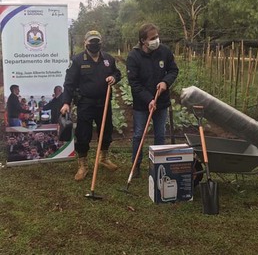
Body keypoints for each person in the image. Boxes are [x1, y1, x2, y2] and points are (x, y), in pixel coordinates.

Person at [61, 30, 122, 181]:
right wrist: (66, 102)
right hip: (86, 103)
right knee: (83, 134)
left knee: (106, 131)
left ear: (101, 43)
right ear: (85, 43)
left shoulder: (108, 59)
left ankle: (103, 158)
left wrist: (114, 77)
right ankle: (83, 165)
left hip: (104, 102)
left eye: (97, 41)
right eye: (91, 42)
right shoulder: (77, 61)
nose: (94, 44)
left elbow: (117, 73)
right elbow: (69, 83)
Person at [126, 23, 179, 177]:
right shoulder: (133, 57)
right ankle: (135, 166)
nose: (157, 40)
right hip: (142, 105)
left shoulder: (164, 52)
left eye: (157, 36)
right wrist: (149, 99)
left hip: (161, 102)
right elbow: (134, 83)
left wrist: (166, 82)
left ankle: (158, 165)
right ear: (143, 40)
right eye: (153, 38)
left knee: (160, 134)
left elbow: (173, 70)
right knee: (138, 135)